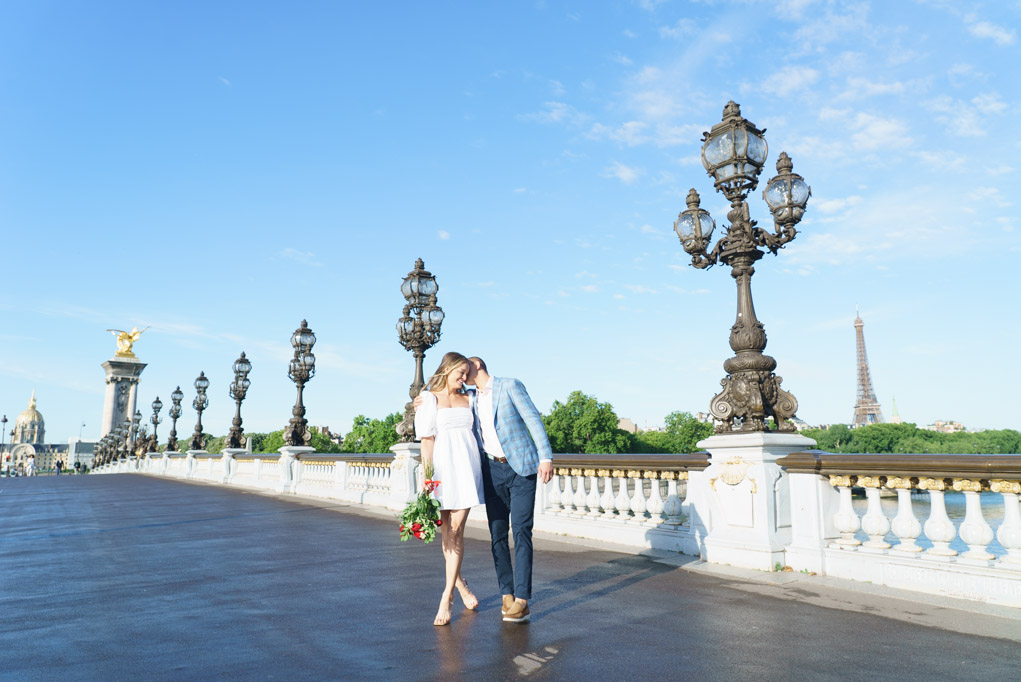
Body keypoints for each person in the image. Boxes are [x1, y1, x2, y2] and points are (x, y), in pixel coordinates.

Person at [466, 357, 553, 624]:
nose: (460, 374)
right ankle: (507, 593)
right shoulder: (468, 396)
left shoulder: (510, 386)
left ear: (477, 366)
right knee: (497, 534)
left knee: (522, 530)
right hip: (491, 471)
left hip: (521, 468)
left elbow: (533, 418)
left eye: (464, 369)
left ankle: (523, 600)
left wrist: (546, 457)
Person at [414, 351, 485, 627]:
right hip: (442, 470)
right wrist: (427, 477)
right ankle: (461, 585)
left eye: (467, 374)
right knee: (446, 533)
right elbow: (427, 441)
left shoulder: (471, 398)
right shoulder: (430, 399)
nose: (464, 378)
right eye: (461, 373)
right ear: (448, 369)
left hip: (467, 469)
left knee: (456, 531)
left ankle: (447, 597)